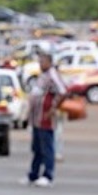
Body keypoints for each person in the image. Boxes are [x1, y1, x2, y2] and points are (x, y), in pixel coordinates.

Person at [24, 51, 68, 187]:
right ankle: (33, 174)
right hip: (36, 118)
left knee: (47, 147)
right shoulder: (42, 76)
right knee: (37, 148)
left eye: (42, 61)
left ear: (49, 62)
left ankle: (48, 175)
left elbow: (62, 91)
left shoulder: (52, 74)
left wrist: (53, 109)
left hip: (45, 118)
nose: (40, 64)